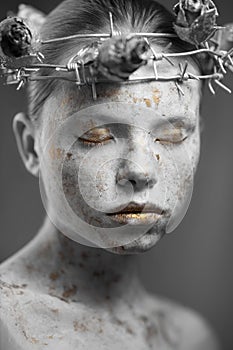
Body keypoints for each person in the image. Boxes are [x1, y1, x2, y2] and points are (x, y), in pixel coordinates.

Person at [0, 0, 222, 349]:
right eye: (96, 136)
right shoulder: (7, 326)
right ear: (31, 146)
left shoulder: (191, 338)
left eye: (173, 135)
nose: (140, 170)